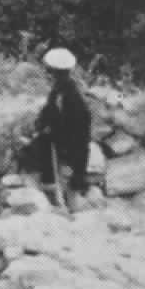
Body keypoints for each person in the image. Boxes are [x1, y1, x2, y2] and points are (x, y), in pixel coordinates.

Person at [29, 47, 91, 207]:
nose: (49, 75)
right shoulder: (58, 90)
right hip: (62, 141)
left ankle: (69, 206)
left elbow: (75, 128)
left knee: (71, 183)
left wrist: (52, 130)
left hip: (73, 147)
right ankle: (53, 194)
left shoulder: (72, 97)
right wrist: (41, 125)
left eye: (51, 72)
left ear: (58, 73)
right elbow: (48, 111)